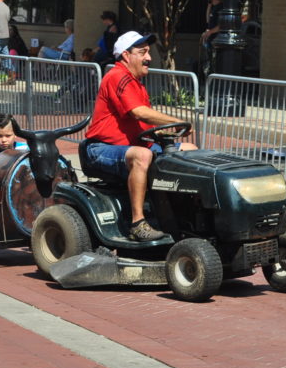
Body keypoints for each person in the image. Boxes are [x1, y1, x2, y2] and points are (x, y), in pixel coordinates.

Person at [81, 31, 198, 241]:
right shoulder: (117, 77)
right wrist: (174, 121)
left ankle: (185, 218)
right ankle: (137, 223)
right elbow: (138, 112)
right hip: (100, 148)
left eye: (149, 52)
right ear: (126, 56)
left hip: (133, 145)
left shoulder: (137, 84)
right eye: (143, 52)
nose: (149, 58)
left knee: (190, 152)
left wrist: (169, 133)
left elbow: (144, 125)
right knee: (142, 156)